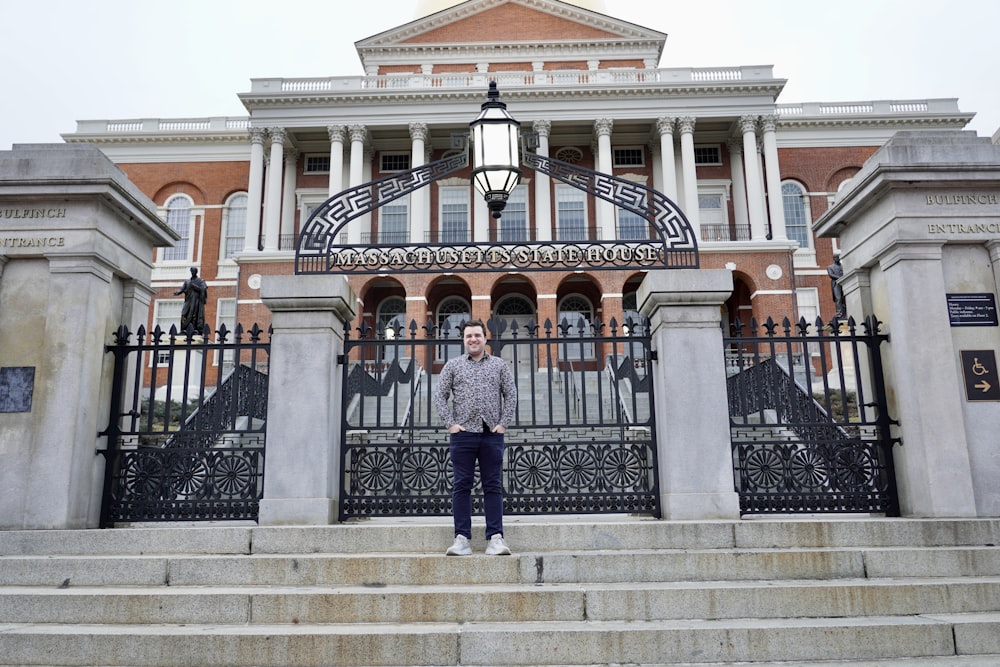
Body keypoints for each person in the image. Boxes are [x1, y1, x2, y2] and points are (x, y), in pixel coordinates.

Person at [433, 319, 517, 556]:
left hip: (492, 434)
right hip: (463, 435)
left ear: (485, 338)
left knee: (493, 486)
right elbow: (440, 396)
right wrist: (451, 425)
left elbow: (511, 394)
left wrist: (503, 424)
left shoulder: (499, 365)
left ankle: (495, 538)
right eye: (469, 336)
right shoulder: (453, 365)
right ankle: (461, 539)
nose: (473, 339)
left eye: (477, 335)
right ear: (464, 339)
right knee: (462, 486)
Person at [827, 254, 846, 319]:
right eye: (835, 257)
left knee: (844, 298)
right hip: (836, 283)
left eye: (838, 257)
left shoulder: (843, 266)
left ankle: (844, 314)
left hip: (843, 283)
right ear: (834, 258)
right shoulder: (830, 267)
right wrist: (840, 278)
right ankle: (839, 313)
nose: (837, 258)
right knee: (838, 298)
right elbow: (831, 274)